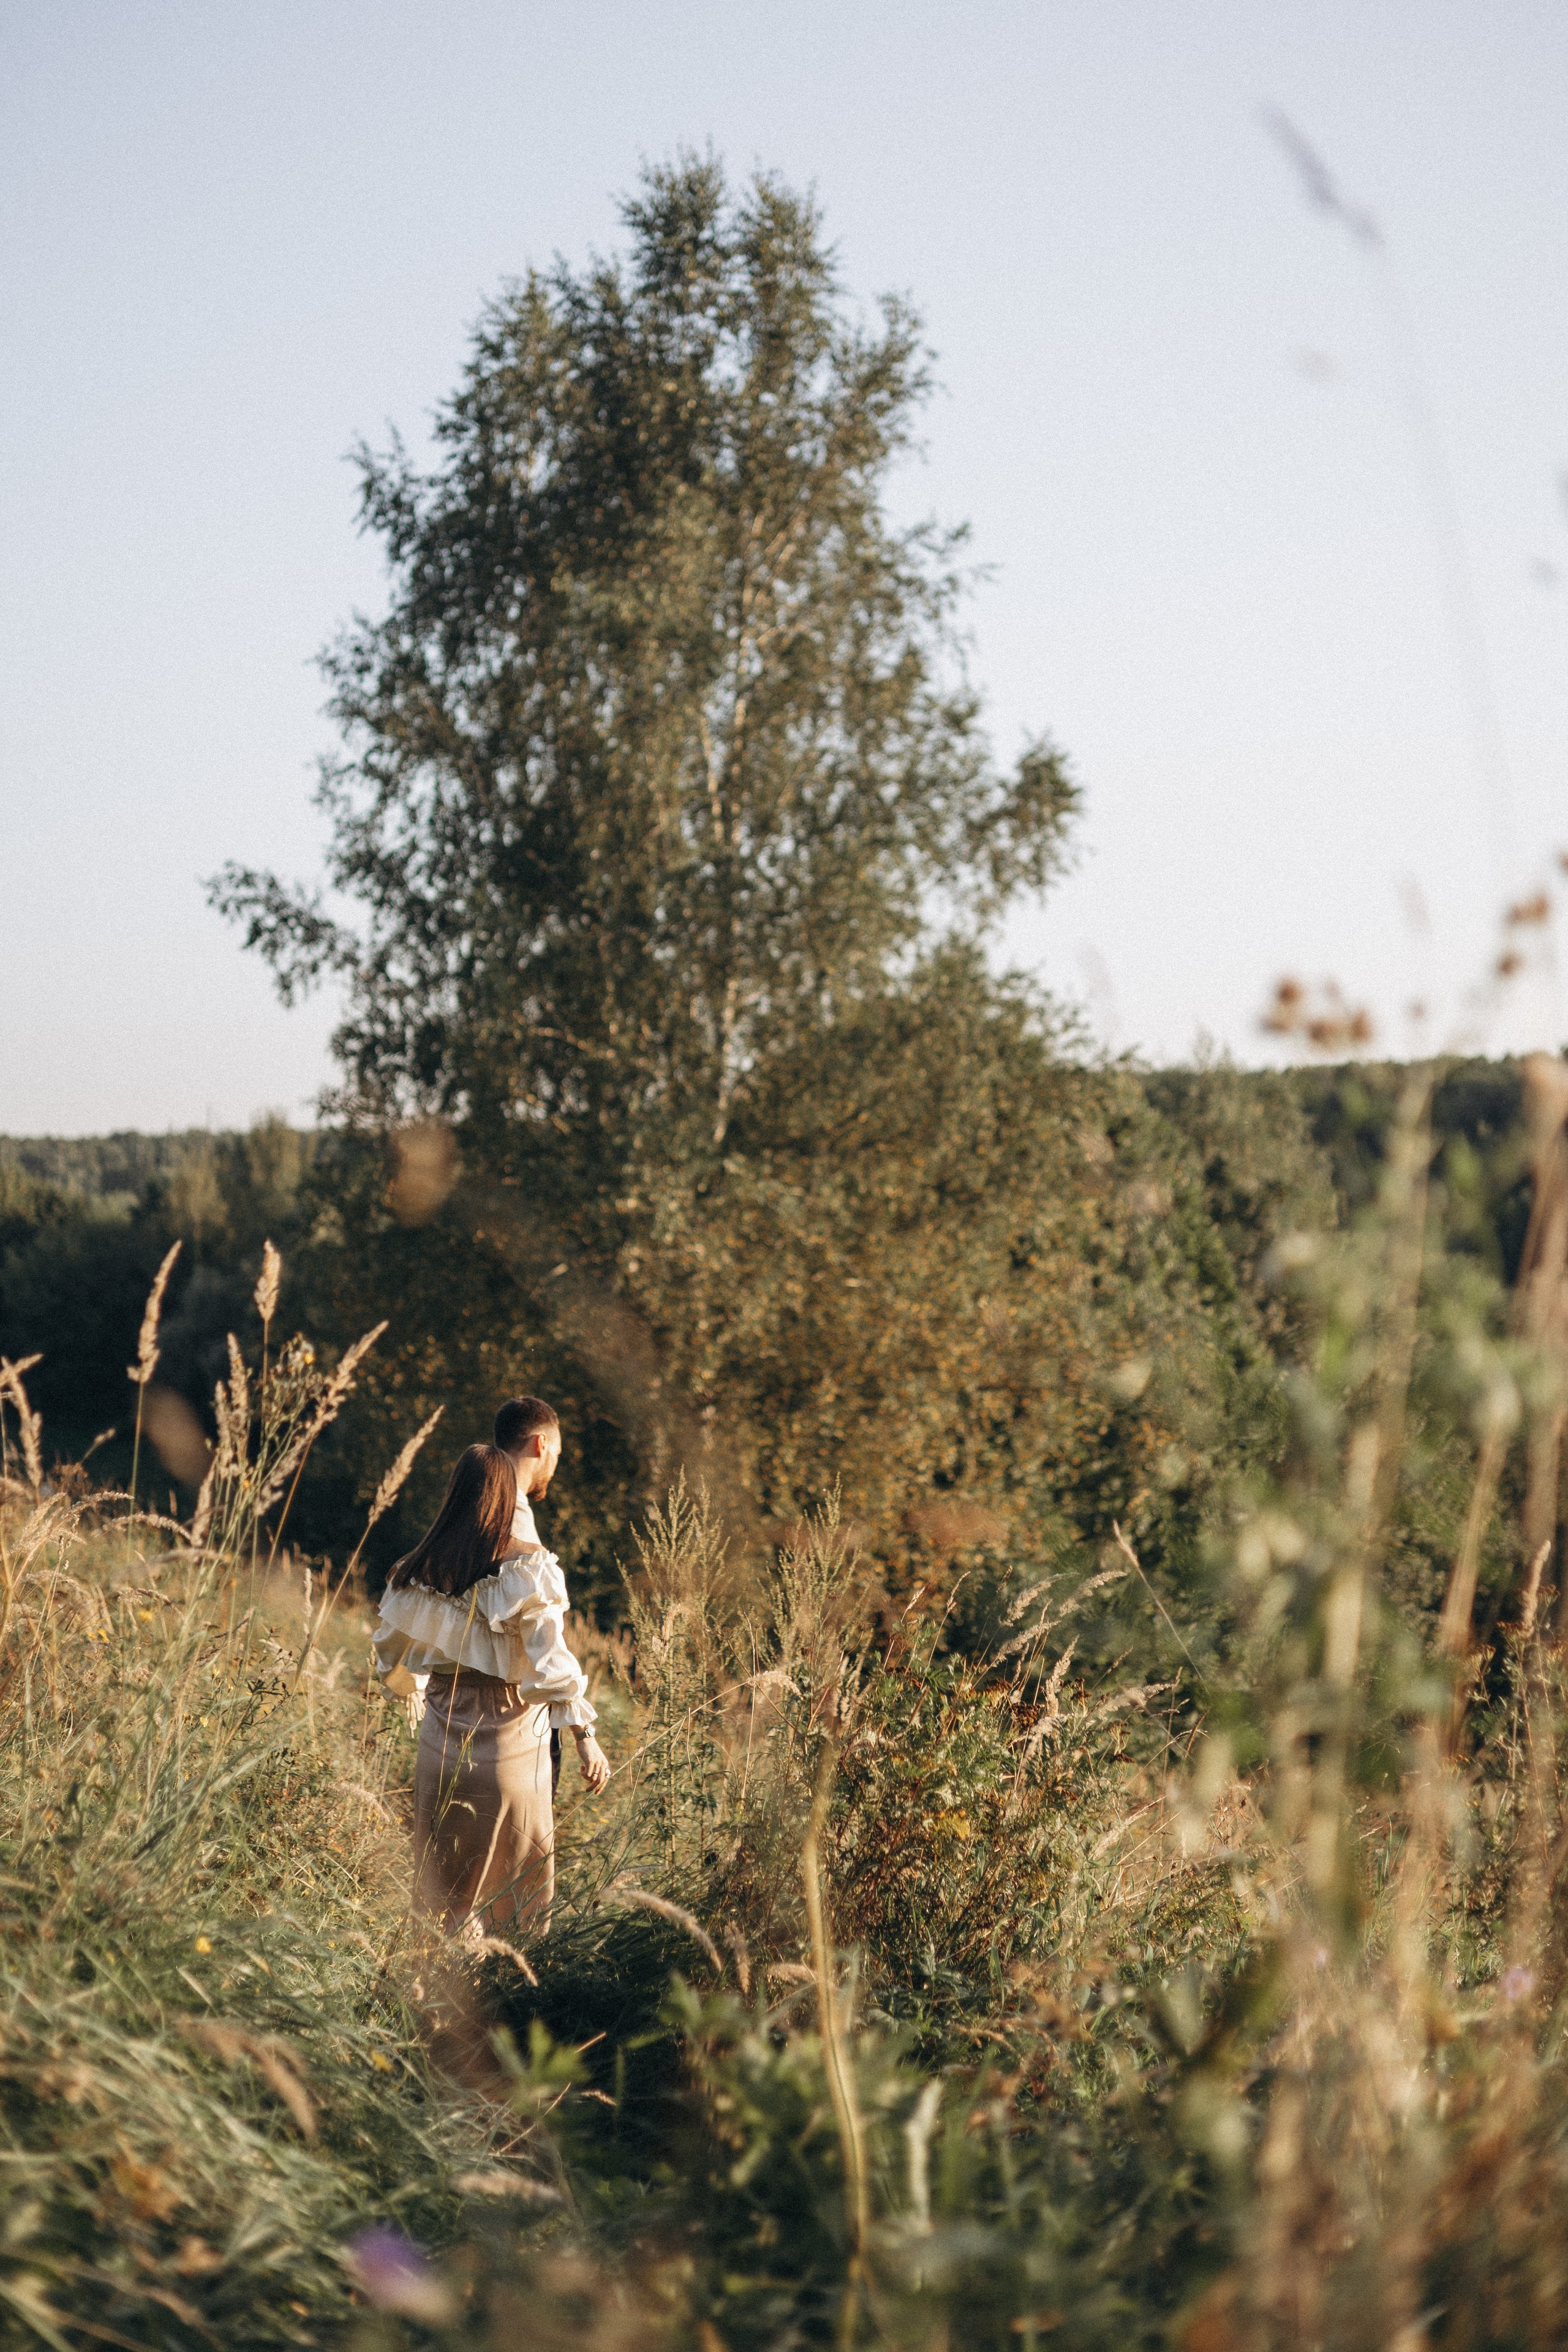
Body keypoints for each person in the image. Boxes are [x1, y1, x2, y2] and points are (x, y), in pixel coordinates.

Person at [373, 1398, 609, 1939]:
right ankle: (510, 2004)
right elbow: (551, 1662)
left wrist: (409, 1686)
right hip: (510, 1745)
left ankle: (434, 1998)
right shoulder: (528, 1568)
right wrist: (584, 1735)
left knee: (443, 1899)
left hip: (440, 1742)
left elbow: (387, 1653)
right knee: (518, 1904)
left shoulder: (417, 1572)